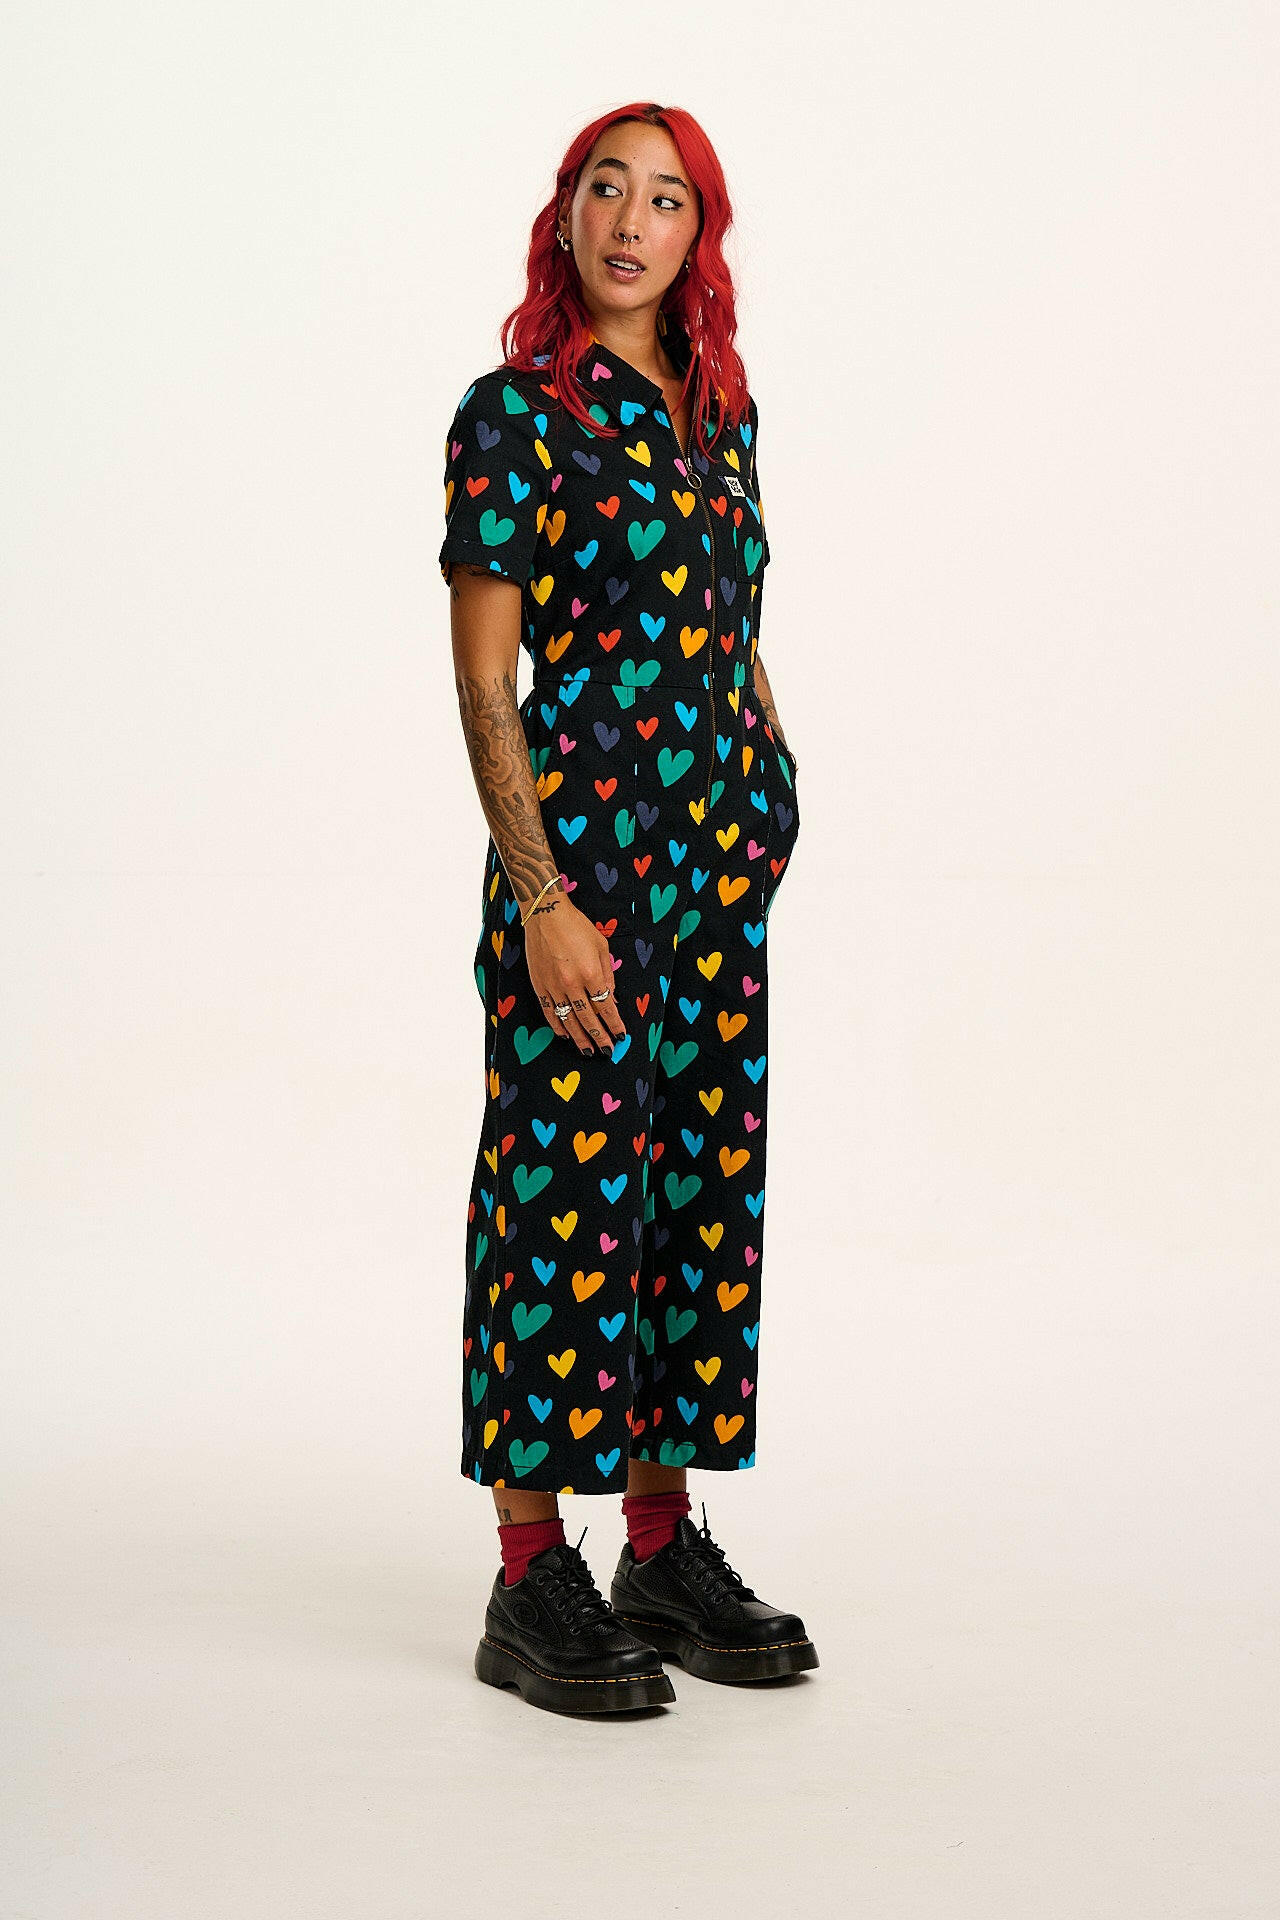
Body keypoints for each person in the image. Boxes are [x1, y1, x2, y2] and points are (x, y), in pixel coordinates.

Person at [438, 101, 817, 1715]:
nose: (631, 222)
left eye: (667, 200)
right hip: (585, 862)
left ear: (698, 236)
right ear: (568, 211)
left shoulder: (721, 413)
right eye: (609, 187)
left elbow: (733, 624)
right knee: (562, 1193)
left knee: (692, 1199)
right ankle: (532, 1572)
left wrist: (774, 775)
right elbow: (485, 679)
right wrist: (541, 897)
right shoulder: (516, 417)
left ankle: (660, 1546)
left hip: (719, 865)